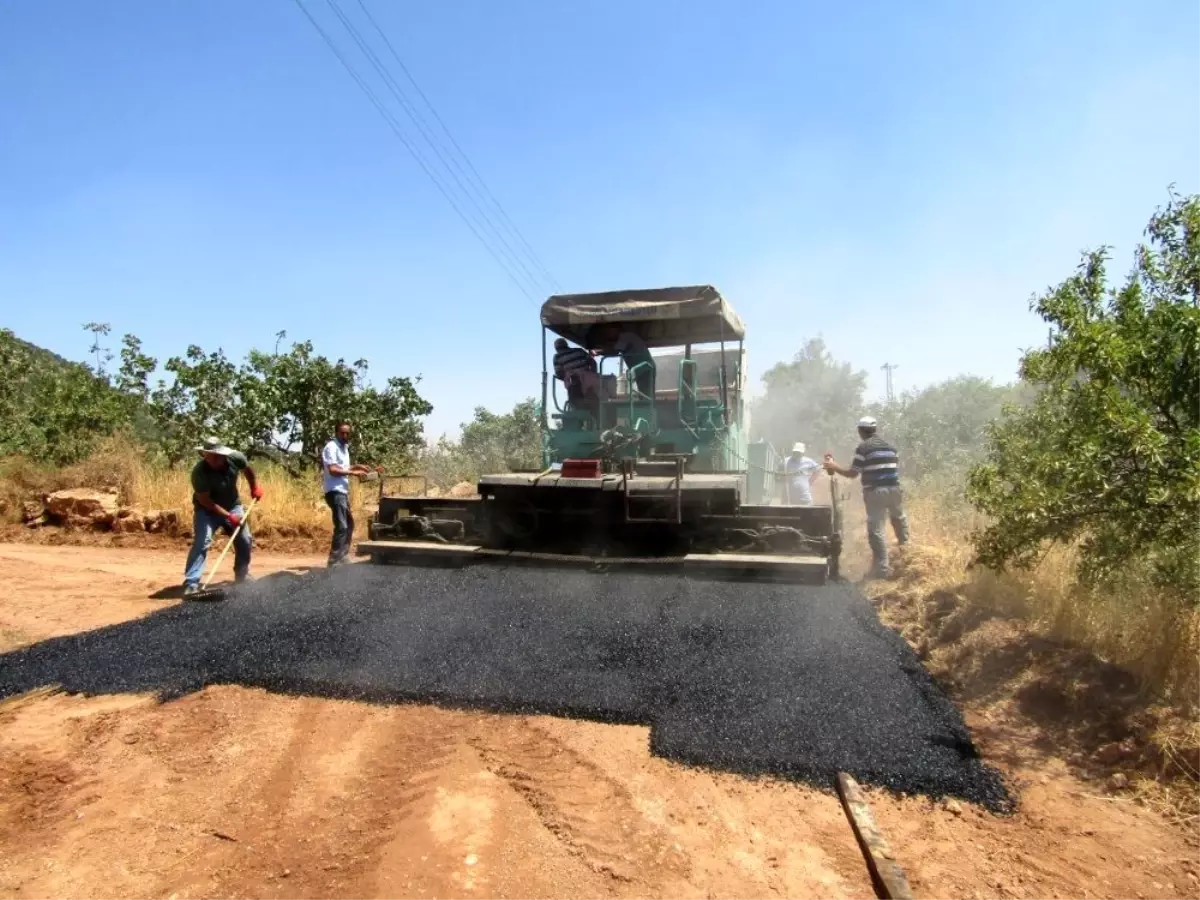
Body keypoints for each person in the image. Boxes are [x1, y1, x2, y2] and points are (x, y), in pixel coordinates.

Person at [823, 415, 910, 578]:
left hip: (876, 491)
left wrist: (833, 466)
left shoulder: (864, 448)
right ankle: (906, 553)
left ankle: (882, 569)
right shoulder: (891, 447)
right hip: (895, 489)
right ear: (874, 430)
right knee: (899, 519)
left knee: (876, 530)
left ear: (861, 431)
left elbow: (852, 473)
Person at [183, 437, 262, 595]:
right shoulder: (199, 472)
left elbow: (248, 470)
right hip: (206, 510)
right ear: (204, 455)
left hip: (232, 505)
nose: (213, 459)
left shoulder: (235, 458)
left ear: (223, 454)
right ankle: (191, 582)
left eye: (217, 455)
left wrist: (254, 487)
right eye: (209, 455)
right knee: (203, 540)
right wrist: (229, 517)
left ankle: (242, 575)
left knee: (244, 538)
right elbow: (206, 501)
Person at [321, 420, 380, 567]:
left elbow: (343, 467)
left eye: (347, 433)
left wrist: (357, 466)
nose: (345, 435)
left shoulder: (344, 448)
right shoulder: (331, 447)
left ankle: (343, 556)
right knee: (342, 526)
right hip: (334, 491)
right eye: (342, 432)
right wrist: (354, 472)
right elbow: (333, 470)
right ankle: (334, 560)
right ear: (336, 433)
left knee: (349, 524)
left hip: (342, 491)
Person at [599, 325, 655, 398]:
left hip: (645, 368)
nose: (608, 334)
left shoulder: (625, 336)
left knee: (646, 395)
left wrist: (598, 352)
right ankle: (649, 407)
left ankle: (649, 408)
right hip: (642, 369)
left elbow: (614, 351)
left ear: (616, 330)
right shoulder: (626, 337)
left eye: (609, 331)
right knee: (644, 394)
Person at [552, 337, 598, 409]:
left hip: (574, 381)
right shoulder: (579, 351)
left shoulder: (557, 357)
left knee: (575, 400)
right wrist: (593, 375)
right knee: (592, 396)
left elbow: (559, 373)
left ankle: (580, 409)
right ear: (567, 345)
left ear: (556, 349)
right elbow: (593, 362)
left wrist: (565, 378)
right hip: (589, 379)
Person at [782, 441, 821, 506]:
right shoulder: (786, 461)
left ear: (802, 453)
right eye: (795, 452)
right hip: (792, 497)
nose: (797, 454)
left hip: (805, 497)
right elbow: (782, 475)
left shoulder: (808, 461)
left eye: (799, 452)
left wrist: (810, 481)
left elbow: (817, 470)